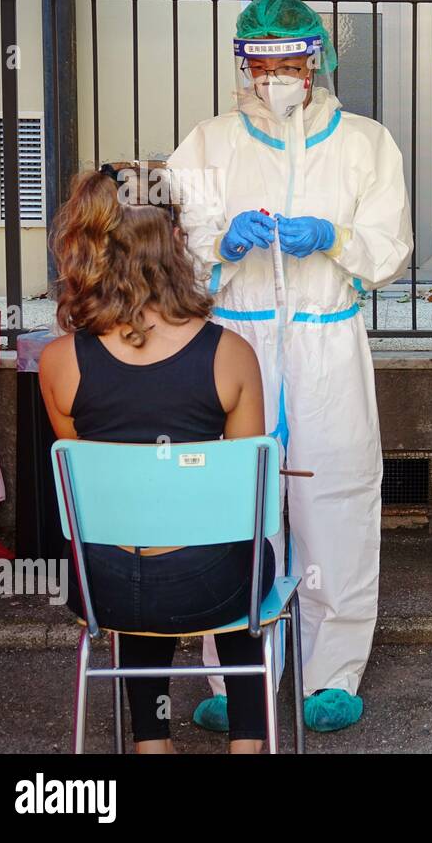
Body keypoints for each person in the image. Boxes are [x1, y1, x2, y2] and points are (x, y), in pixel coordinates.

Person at [168, 0, 413, 733]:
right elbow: (175, 242)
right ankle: (232, 673)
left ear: (317, 61)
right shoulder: (208, 142)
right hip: (232, 343)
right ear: (243, 63)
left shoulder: (367, 142)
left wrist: (332, 237)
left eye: (289, 59)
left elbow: (390, 246)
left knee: (333, 501)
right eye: (262, 60)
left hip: (325, 342)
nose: (275, 74)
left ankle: (331, 673)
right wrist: (221, 244)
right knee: (230, 507)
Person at [39, 168, 273, 754]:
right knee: (244, 543)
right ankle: (248, 743)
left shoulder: (59, 362)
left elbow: (96, 488)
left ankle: (151, 742)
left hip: (105, 590)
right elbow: (250, 496)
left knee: (131, 542)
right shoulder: (231, 355)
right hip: (214, 589)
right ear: (174, 245)